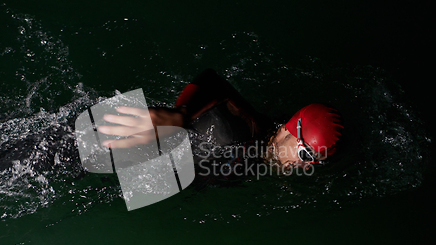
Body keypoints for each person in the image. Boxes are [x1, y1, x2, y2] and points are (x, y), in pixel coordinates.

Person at [98, 69, 344, 177]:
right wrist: (180, 116)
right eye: (304, 153)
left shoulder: (263, 157)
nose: (302, 165)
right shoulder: (240, 130)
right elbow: (212, 81)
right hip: (117, 144)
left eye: (314, 161)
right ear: (288, 130)